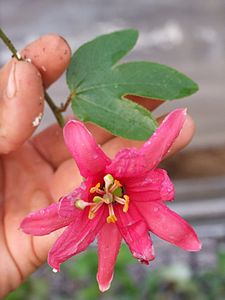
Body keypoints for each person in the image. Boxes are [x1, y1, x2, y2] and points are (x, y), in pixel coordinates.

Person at [0, 34, 195, 298]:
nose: (109, 195)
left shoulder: (114, 205)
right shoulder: (99, 201)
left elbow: (77, 134)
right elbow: (76, 135)